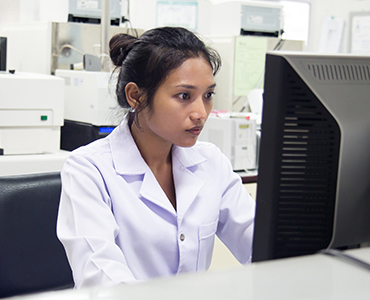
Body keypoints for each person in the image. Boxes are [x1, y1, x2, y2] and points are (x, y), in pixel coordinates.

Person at [56, 27, 255, 288]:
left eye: (207, 96)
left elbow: (260, 244)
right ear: (136, 96)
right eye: (184, 96)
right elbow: (102, 279)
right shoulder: (88, 170)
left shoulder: (211, 163)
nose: (201, 113)